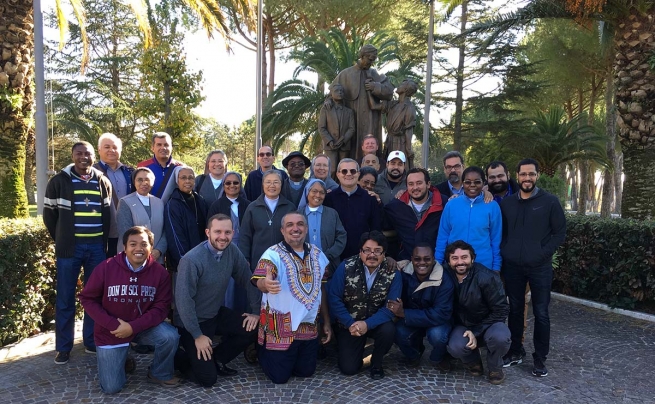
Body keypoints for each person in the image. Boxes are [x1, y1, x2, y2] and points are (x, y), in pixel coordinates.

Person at [79, 226, 179, 393]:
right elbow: (87, 298)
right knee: (111, 388)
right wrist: (112, 325)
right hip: (112, 331)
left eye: (144, 244)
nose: (138, 248)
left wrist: (134, 327)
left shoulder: (160, 273)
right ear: (124, 247)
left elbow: (161, 308)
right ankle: (123, 358)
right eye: (133, 244)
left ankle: (159, 372)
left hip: (142, 328)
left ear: (151, 248)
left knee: (170, 336)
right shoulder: (105, 268)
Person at [44, 141, 112, 364]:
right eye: (79, 153)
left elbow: (106, 215)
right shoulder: (59, 182)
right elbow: (49, 216)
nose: (84, 157)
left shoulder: (102, 181)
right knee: (65, 297)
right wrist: (63, 239)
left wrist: (102, 244)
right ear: (73, 156)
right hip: (69, 250)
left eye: (88, 154)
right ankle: (63, 347)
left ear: (94, 157)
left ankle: (91, 341)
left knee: (95, 298)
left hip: (96, 249)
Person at [174, 214, 261, 387]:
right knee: (207, 379)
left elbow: (249, 280)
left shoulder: (232, 251)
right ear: (208, 232)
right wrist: (197, 335)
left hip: (214, 313)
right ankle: (176, 357)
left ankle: (218, 358)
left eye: (227, 232)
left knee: (256, 327)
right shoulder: (191, 260)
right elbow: (184, 302)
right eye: (218, 232)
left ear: (233, 232)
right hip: (192, 321)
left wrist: (256, 312)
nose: (223, 236)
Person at [500, 158, 566, 377]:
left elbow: (559, 233)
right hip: (513, 267)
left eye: (531, 174)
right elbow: (502, 232)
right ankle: (516, 351)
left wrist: (542, 253)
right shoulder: (507, 203)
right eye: (523, 174)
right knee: (515, 310)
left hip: (540, 267)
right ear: (516, 176)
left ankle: (540, 358)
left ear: (537, 176)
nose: (527, 178)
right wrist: (506, 250)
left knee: (541, 313)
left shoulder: (550, 202)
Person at [252, 212, 332, 384]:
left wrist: (326, 321)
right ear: (282, 230)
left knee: (306, 372)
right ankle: (260, 350)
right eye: (290, 225)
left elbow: (321, 289)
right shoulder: (272, 254)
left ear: (306, 228)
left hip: (308, 328)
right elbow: (259, 280)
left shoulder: (318, 255)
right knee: (279, 377)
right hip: (280, 329)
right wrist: (265, 284)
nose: (295, 228)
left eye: (300, 224)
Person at [328, 231, 401, 379]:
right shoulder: (346, 266)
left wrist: (367, 324)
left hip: (376, 323)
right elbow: (334, 298)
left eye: (377, 251)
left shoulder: (393, 272)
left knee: (389, 330)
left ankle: (376, 363)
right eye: (367, 250)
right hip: (350, 324)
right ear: (360, 251)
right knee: (349, 368)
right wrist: (350, 323)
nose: (372, 255)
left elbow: (391, 307)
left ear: (384, 253)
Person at [444, 240, 511, 385]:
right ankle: (473, 361)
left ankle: (495, 366)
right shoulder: (444, 275)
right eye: (455, 258)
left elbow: (501, 309)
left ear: (472, 258)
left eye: (464, 257)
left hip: (489, 323)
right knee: (455, 346)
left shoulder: (487, 277)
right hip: (462, 324)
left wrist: (475, 331)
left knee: (501, 338)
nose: (460, 262)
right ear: (448, 262)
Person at [389, 243, 453, 370]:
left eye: (427, 259)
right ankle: (414, 355)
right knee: (395, 331)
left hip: (437, 321)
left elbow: (440, 314)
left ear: (433, 259)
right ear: (412, 259)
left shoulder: (445, 279)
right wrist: (388, 258)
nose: (422, 262)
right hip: (412, 318)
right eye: (417, 259)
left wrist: (404, 314)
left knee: (438, 336)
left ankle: (437, 357)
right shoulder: (403, 272)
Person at [331, 45, 395, 160]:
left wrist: (375, 86)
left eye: (373, 60)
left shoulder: (374, 74)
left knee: (369, 146)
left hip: (371, 119)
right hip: (351, 120)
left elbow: (389, 92)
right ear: (362, 56)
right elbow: (332, 93)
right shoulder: (345, 74)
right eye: (369, 59)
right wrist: (328, 102)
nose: (371, 62)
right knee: (351, 148)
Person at [435, 166, 502, 271]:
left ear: (483, 183)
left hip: (483, 264)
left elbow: (496, 239)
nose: (472, 185)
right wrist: (438, 263)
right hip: (455, 264)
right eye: (468, 182)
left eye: (477, 182)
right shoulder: (451, 205)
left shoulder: (492, 206)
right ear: (462, 183)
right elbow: (443, 237)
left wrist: (496, 267)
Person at [207, 171, 251, 311]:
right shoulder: (216, 205)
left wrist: (247, 254)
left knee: (242, 285)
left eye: (235, 182)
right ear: (224, 185)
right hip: (223, 248)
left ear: (240, 184)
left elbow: (251, 231)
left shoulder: (248, 205)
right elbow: (211, 231)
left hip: (243, 248)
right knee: (226, 286)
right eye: (228, 183)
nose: (232, 185)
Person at [384, 168, 447, 261]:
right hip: (406, 262)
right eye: (411, 184)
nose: (415, 187)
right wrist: (388, 255)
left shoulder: (444, 203)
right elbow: (381, 232)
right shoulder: (395, 207)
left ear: (428, 184)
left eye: (419, 183)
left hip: (436, 261)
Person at [239, 170, 296, 274]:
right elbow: (245, 236)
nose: (272, 185)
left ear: (281, 184)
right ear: (263, 184)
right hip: (258, 262)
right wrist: (245, 258)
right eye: (268, 182)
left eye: (276, 182)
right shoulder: (252, 208)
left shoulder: (290, 208)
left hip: (285, 262)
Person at [324, 159, 381, 260]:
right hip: (334, 257)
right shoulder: (328, 199)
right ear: (338, 174)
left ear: (358, 174)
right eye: (344, 171)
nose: (349, 174)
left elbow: (375, 230)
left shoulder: (370, 199)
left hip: (362, 257)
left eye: (353, 171)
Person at [93, 133, 134, 258]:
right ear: (99, 149)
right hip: (104, 233)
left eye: (115, 147)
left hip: (128, 231)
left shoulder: (130, 172)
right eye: (107, 147)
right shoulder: (92, 172)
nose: (112, 150)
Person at [116, 167, 167, 264]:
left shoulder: (160, 203)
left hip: (156, 258)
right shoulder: (125, 202)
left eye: (147, 179)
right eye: (140, 180)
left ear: (153, 182)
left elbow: (165, 231)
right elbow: (125, 232)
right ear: (134, 182)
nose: (144, 183)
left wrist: (158, 251)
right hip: (133, 257)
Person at [163, 166, 208, 272]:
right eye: (183, 178)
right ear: (177, 181)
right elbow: (175, 236)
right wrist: (184, 261)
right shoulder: (173, 204)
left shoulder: (200, 200)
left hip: (202, 258)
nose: (187, 181)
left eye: (191, 177)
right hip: (183, 262)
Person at [298, 179, 347, 272]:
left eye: (322, 192)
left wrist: (329, 254)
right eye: (314, 191)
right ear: (307, 192)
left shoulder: (332, 214)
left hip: (329, 264)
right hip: (303, 265)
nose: (318, 195)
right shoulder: (298, 215)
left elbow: (341, 236)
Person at [370, 79, 418, 168]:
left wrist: (408, 149)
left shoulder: (409, 108)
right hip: (389, 140)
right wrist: (369, 89)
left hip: (400, 143)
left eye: (402, 84)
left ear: (406, 89)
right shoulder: (393, 104)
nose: (398, 86)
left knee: (399, 167)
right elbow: (373, 106)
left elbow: (408, 131)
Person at [318, 83, 355, 177]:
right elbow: (322, 128)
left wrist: (343, 140)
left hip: (344, 145)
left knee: (344, 169)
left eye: (341, 91)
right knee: (332, 169)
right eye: (337, 91)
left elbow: (352, 128)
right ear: (331, 94)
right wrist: (329, 141)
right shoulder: (326, 109)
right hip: (330, 145)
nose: (340, 93)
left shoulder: (349, 111)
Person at [137, 132, 183, 199]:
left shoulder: (180, 168)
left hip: (173, 208)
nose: (163, 148)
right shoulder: (143, 167)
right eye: (159, 145)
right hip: (150, 208)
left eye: (166, 145)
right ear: (152, 148)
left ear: (171, 147)